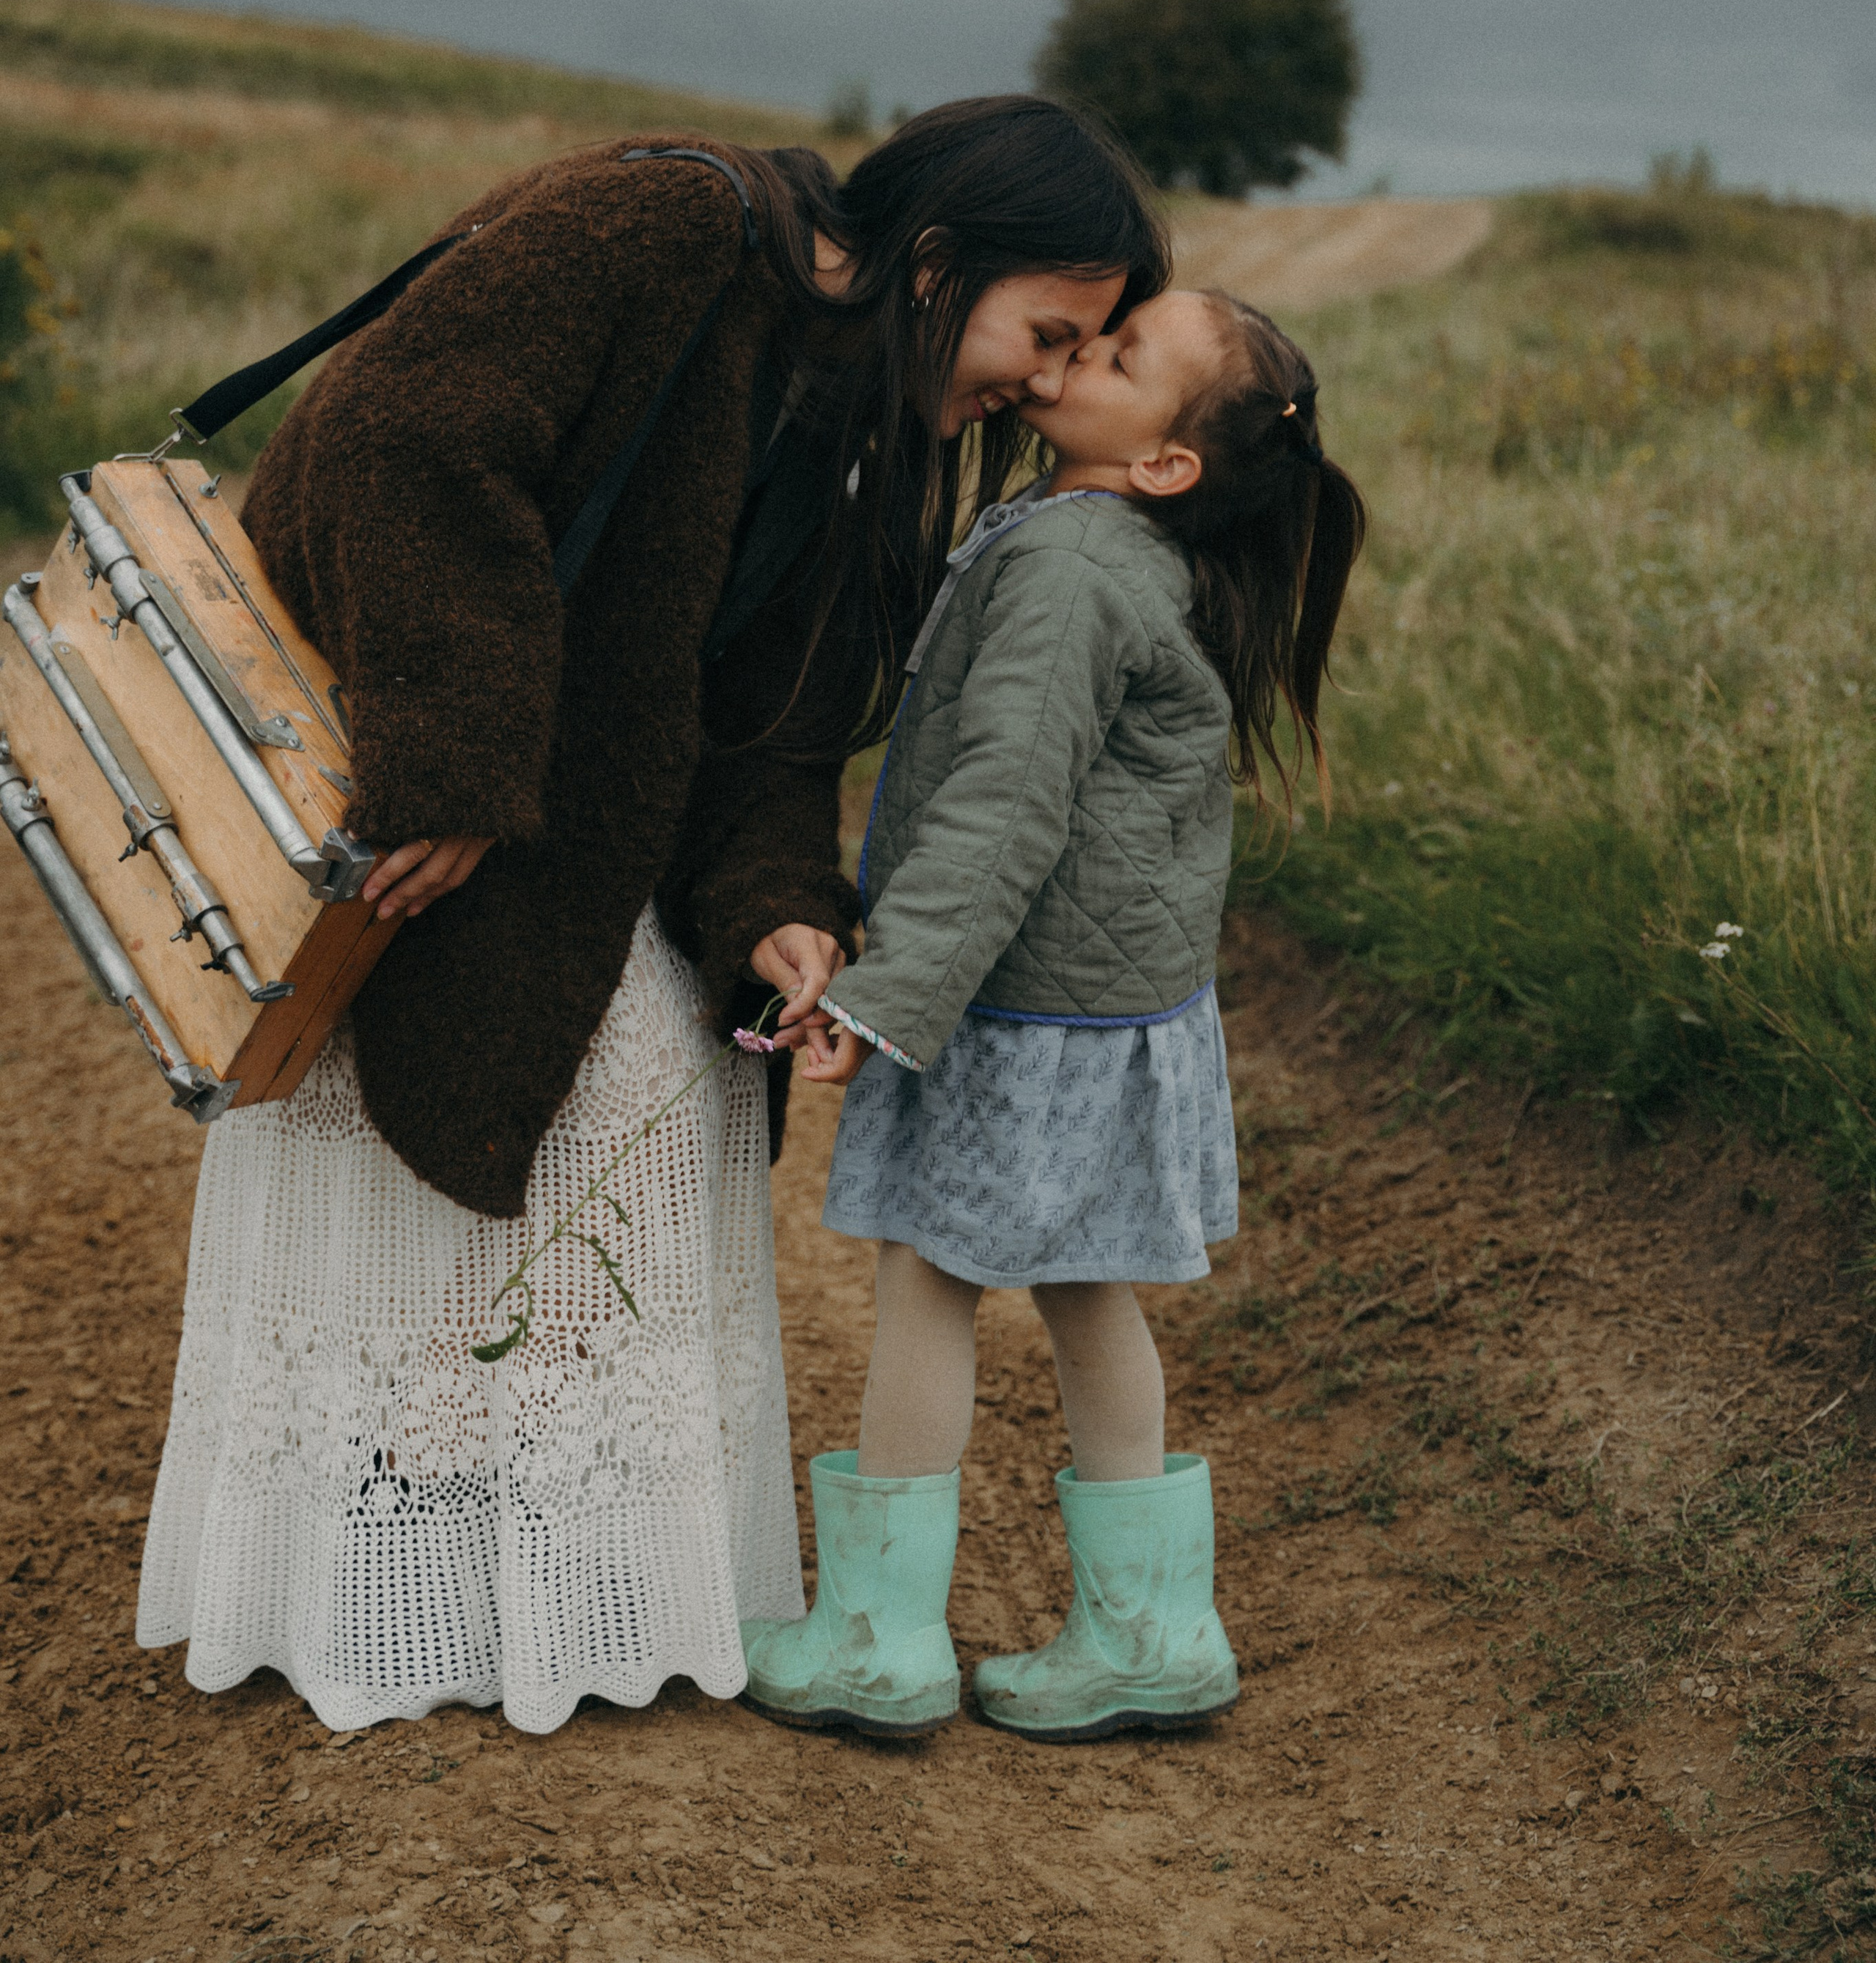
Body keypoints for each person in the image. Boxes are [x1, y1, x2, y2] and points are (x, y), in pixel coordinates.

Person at [136, 97, 1169, 1736]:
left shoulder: (861, 422)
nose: (1046, 383)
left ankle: (563, 1589)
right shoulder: (661, 226)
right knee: (445, 1176)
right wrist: (457, 759)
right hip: (431, 791)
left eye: (1083, 352)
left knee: (640, 1118)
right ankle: (389, 1580)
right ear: (929, 259)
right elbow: (407, 431)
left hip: (581, 842)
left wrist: (774, 906)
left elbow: (768, 722)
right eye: (1045, 330)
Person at [742, 289, 1366, 1741]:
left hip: (1017, 1014)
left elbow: (1005, 801)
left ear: (1163, 463)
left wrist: (889, 996)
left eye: (1118, 353)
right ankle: (1148, 1633)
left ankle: (877, 1639)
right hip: (1118, 1011)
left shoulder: (1076, 567)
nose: (1076, 352)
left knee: (927, 1281)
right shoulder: (1117, 552)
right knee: (1089, 1285)